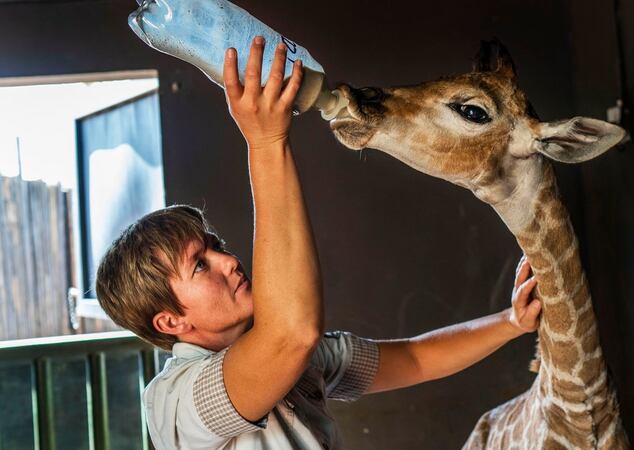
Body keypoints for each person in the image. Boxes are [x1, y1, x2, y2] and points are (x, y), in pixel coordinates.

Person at [95, 36, 543, 450]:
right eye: (199, 265)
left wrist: (512, 321)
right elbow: (290, 334)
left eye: (215, 245)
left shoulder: (301, 358)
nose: (228, 260)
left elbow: (413, 358)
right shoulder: (175, 404)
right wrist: (266, 141)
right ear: (170, 322)